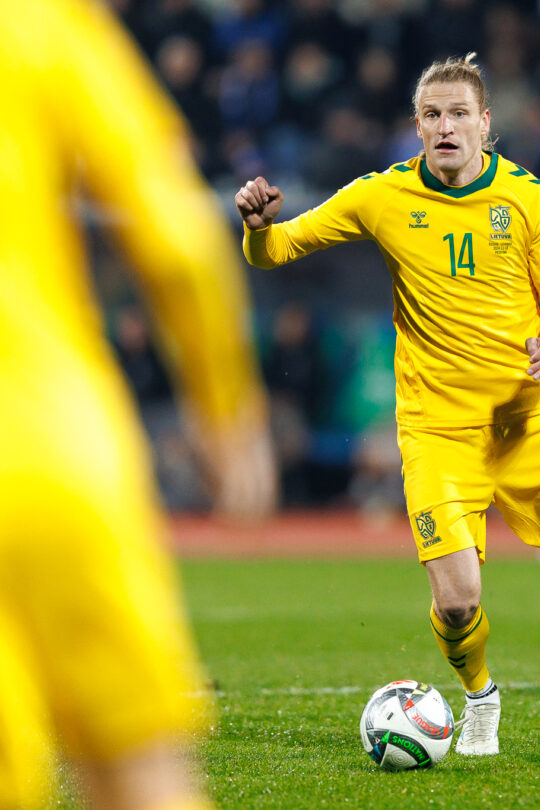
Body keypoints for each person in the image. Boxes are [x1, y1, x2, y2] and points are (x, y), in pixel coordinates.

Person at [234, 54, 540, 756]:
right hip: (437, 430)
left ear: (485, 124)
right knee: (457, 600)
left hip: (529, 422)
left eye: (459, 113)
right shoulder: (381, 196)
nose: (445, 126)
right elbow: (275, 251)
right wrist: (255, 227)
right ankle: (479, 695)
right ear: (417, 126)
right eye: (432, 115)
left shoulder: (526, 199)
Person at [1, 2, 277, 809]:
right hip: (44, 439)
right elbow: (178, 240)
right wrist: (229, 415)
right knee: (139, 777)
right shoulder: (44, 29)